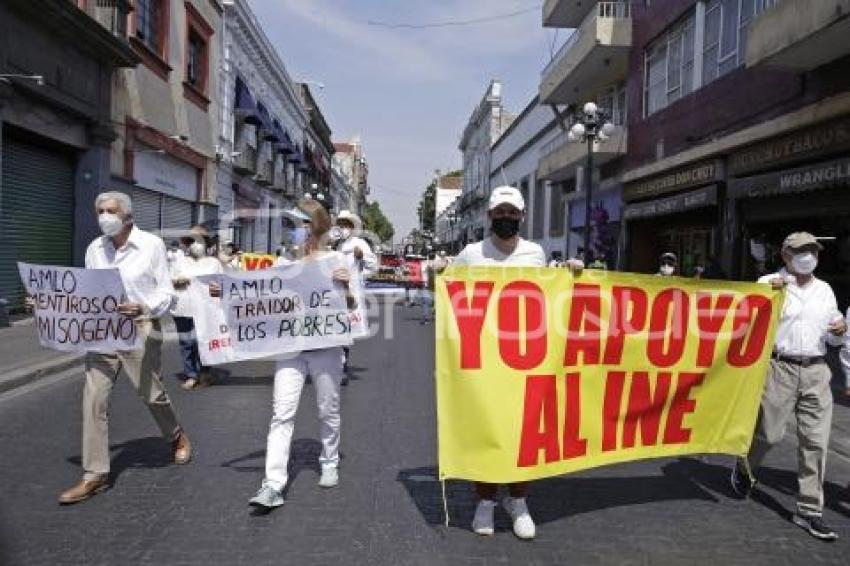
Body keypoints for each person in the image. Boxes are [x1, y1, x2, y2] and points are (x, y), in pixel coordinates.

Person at [452, 185, 583, 540]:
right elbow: (448, 293)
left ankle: (519, 500)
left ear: (522, 216)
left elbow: (550, 298)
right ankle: (485, 502)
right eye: (500, 212)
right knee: (487, 428)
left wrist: (570, 275)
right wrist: (437, 272)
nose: (506, 218)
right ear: (489, 215)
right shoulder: (470, 254)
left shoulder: (535, 254)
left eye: (512, 212)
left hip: (527, 357)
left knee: (525, 429)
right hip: (483, 359)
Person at [211, 199, 353, 510]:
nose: (292, 232)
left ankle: (329, 460)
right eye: (290, 225)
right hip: (290, 348)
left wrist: (347, 287)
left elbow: (354, 308)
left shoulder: (337, 259)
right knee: (281, 413)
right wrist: (228, 292)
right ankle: (272, 484)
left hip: (325, 346)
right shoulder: (282, 262)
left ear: (313, 226)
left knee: (327, 409)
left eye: (297, 225)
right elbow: (260, 294)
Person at [58, 191, 192, 505]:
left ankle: (176, 435)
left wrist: (143, 306)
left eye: (111, 211)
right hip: (103, 331)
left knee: (151, 394)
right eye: (100, 211)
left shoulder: (151, 245)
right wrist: (51, 302)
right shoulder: (94, 249)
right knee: (94, 400)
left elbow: (166, 292)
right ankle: (95, 475)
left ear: (128, 216)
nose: (104, 216)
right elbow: (88, 292)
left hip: (141, 327)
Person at [731, 232, 846, 541]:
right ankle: (744, 468)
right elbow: (745, 322)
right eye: (800, 251)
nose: (807, 255)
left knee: (815, 442)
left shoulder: (825, 290)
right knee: (768, 433)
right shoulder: (768, 283)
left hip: (816, 370)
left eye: (812, 250)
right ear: (785, 255)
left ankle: (809, 511)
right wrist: (768, 296)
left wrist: (840, 329)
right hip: (778, 367)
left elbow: (834, 336)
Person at [170, 225, 224, 390]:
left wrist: (218, 289)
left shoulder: (214, 263)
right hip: (183, 308)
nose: (195, 244)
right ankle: (191, 374)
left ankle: (205, 371)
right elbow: (168, 279)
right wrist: (176, 281)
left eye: (199, 241)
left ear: (206, 244)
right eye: (192, 241)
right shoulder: (179, 261)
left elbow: (223, 283)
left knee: (203, 341)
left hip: (206, 310)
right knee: (187, 343)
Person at [333, 210, 377, 383]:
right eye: (340, 224)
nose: (343, 228)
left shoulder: (360, 244)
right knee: (335, 328)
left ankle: (342, 366)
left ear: (352, 227)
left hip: (350, 293)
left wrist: (359, 273)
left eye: (346, 225)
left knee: (346, 330)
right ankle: (335, 365)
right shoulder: (336, 245)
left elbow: (372, 266)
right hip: (334, 292)